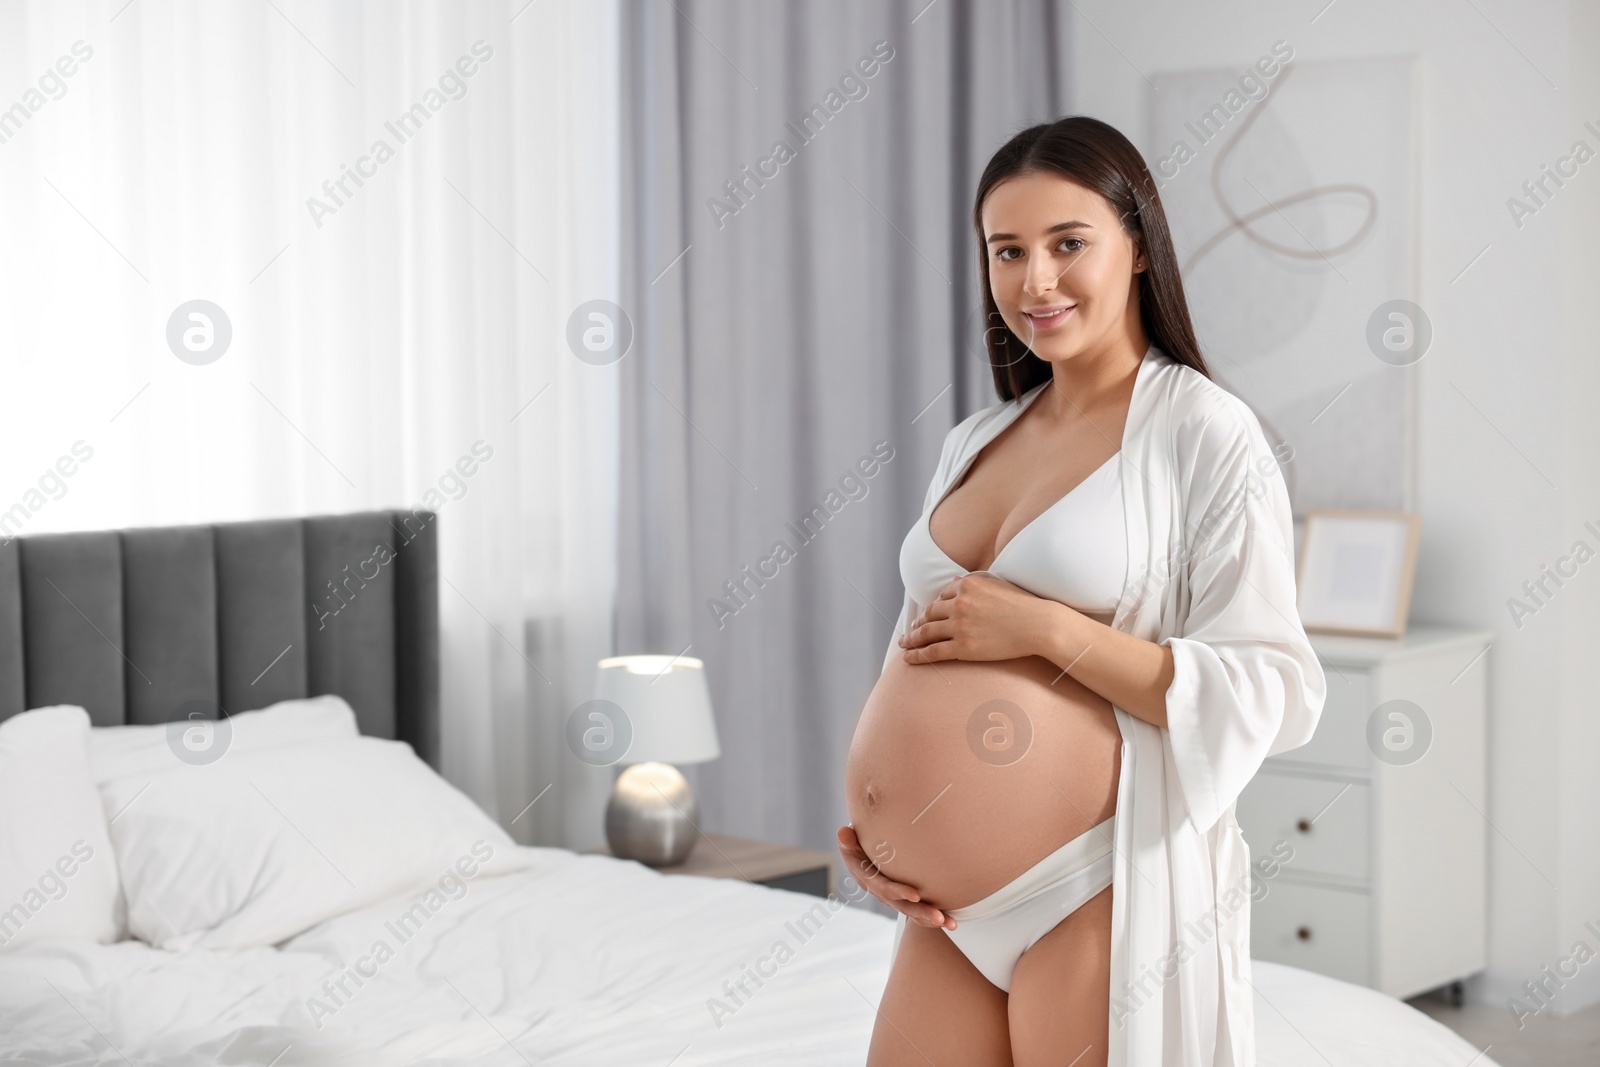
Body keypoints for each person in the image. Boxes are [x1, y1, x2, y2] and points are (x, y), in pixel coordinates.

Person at [837, 115, 1327, 1066]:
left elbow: (1272, 686)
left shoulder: (1205, 433)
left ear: (1138, 247)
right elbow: (927, 638)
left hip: (1093, 887)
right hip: (945, 912)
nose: (1036, 282)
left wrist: (1045, 629)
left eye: (1069, 244)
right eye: (1007, 251)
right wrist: (881, 826)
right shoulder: (976, 439)